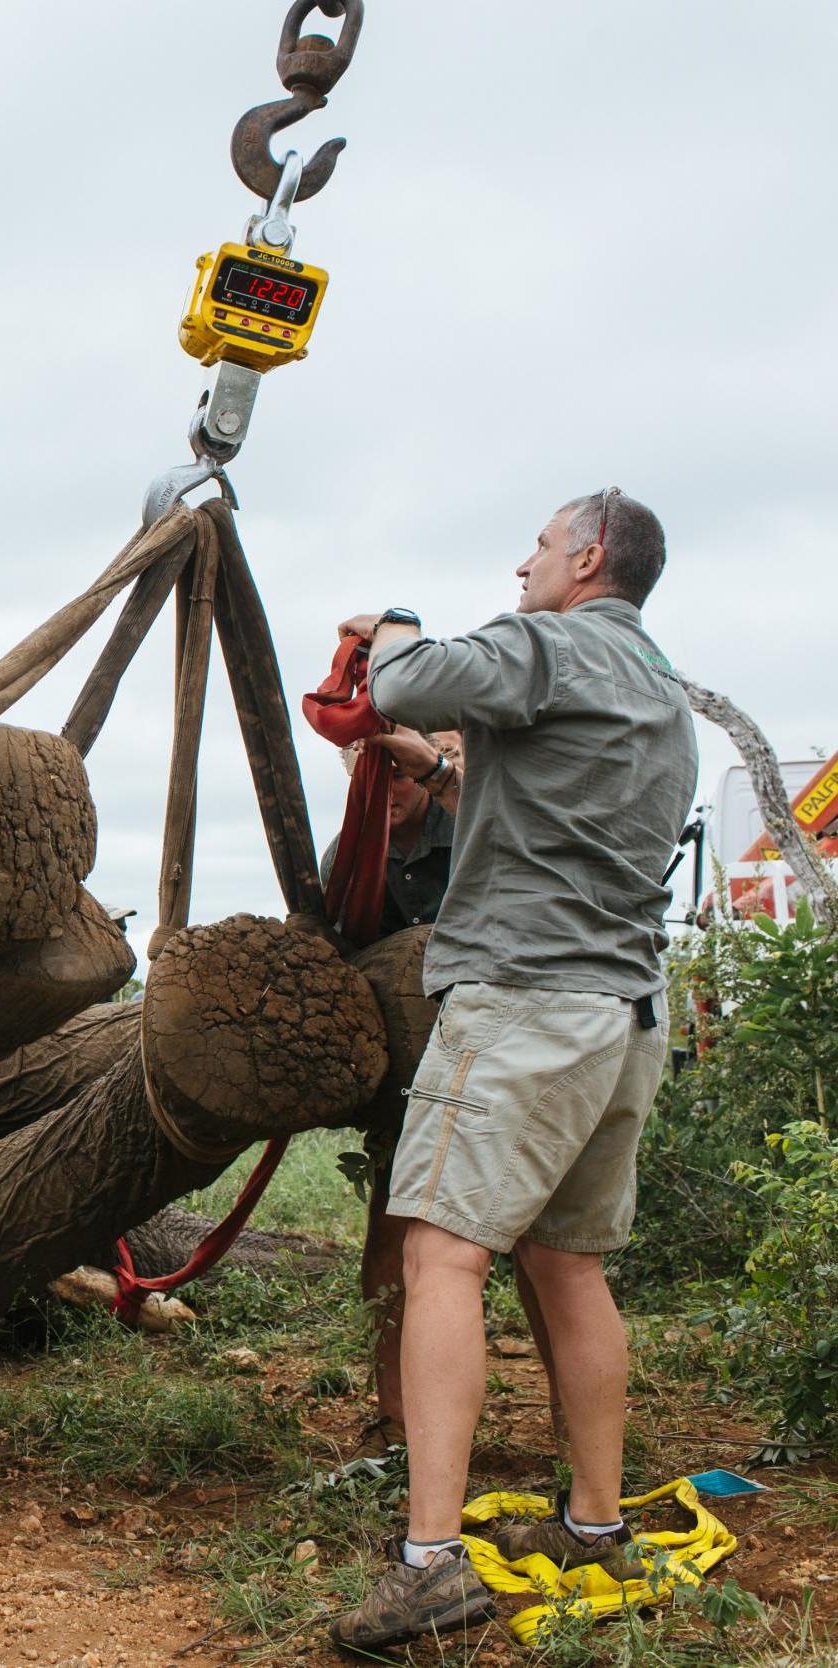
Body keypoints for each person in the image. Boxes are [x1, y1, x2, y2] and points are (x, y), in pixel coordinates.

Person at [327, 490, 698, 1654]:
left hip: (525, 1002)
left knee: (443, 1254)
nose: (523, 562)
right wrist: (435, 771)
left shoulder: (544, 641)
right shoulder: (657, 692)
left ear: (586, 557)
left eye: (539, 546)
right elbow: (537, 796)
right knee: (567, 1263)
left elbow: (407, 678)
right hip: (624, 1011)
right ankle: (594, 1526)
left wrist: (387, 624)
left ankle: (430, 1564)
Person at [321, 729, 566, 1463]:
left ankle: (567, 1417)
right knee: (392, 1241)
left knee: (540, 1244)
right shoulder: (347, 861)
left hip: (510, 1065)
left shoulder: (474, 825)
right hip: (412, 1088)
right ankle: (395, 1420)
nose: (387, 792)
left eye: (398, 776)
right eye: (372, 778)